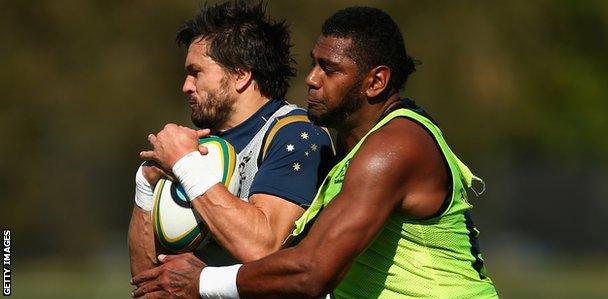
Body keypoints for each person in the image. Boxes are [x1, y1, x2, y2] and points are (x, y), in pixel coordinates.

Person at [132, 6, 498, 298]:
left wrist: (202, 282)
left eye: (329, 68)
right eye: (313, 63)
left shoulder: (396, 146)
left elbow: (312, 272)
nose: (311, 78)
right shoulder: (350, 146)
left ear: (376, 82)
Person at [128, 0, 334, 277]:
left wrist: (186, 165)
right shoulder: (195, 147)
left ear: (241, 75)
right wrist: (144, 184)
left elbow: (263, 248)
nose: (186, 86)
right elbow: (146, 282)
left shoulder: (297, 135)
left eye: (196, 72)